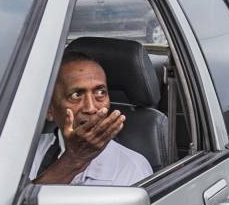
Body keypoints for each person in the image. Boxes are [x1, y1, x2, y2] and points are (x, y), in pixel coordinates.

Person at [31, 49, 152, 186]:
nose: (91, 108)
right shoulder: (28, 156)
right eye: (76, 95)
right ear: (49, 109)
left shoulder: (132, 168)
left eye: (100, 92)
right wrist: (74, 159)